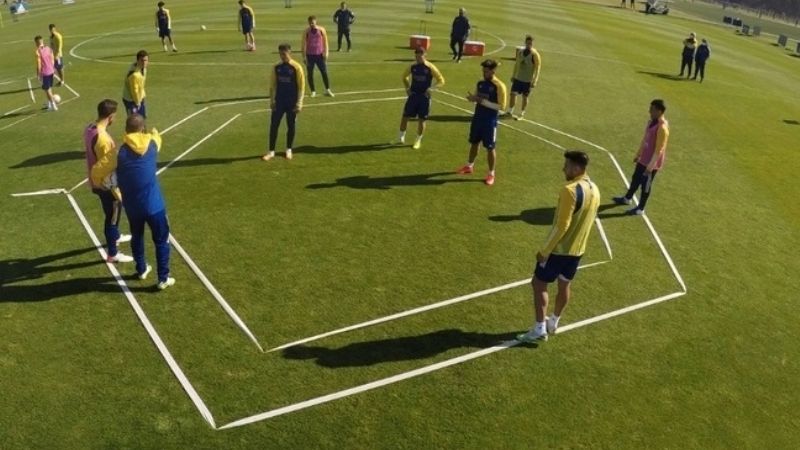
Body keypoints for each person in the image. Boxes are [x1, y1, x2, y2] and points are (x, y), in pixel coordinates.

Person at [516, 150, 600, 343]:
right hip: (577, 251)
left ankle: (539, 329)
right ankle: (553, 321)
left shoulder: (569, 190)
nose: (564, 169)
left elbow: (562, 225)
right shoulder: (595, 189)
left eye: (567, 166)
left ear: (576, 168)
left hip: (558, 251)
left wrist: (545, 251)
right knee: (564, 284)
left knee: (538, 284)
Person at [100, 114, 175, 290]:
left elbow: (99, 170)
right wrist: (151, 132)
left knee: (137, 236)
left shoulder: (118, 152)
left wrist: (103, 182)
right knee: (162, 240)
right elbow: (157, 135)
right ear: (142, 128)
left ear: (126, 130)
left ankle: (141, 269)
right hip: (155, 205)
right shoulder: (152, 144)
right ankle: (163, 278)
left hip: (133, 207)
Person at [86, 99, 133, 264]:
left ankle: (116, 236)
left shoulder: (90, 128)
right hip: (107, 185)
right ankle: (113, 253)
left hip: (96, 181)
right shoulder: (104, 139)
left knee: (111, 214)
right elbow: (108, 165)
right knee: (112, 217)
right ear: (111, 116)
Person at [612, 99, 669, 215]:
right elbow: (645, 139)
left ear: (659, 111)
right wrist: (638, 154)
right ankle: (627, 198)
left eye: (652, 109)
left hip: (651, 163)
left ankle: (641, 208)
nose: (649, 111)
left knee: (645, 185)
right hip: (644, 159)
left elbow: (659, 150)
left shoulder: (662, 128)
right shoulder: (651, 122)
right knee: (635, 178)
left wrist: (650, 167)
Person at [456, 59, 508, 186]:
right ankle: (469, 166)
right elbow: (477, 98)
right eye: (483, 71)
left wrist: (481, 101)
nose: (484, 73)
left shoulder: (499, 86)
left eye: (486, 71)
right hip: (477, 119)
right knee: (474, 143)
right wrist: (473, 99)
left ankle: (491, 173)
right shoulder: (480, 83)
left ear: (493, 71)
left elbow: (501, 107)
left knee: (490, 148)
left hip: (489, 121)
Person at [393, 47, 445, 150]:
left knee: (422, 120)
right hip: (413, 96)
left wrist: (431, 88)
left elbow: (441, 80)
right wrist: (407, 88)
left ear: (425, 55)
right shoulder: (413, 66)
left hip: (424, 98)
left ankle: (418, 140)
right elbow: (404, 77)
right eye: (416, 56)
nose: (418, 58)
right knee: (405, 117)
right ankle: (400, 137)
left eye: (420, 56)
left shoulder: (430, 67)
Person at [263, 43, 305, 162]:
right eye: (280, 54)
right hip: (279, 101)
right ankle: (271, 151)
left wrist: (299, 103)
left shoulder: (296, 67)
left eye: (284, 54)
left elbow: (301, 87)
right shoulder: (276, 67)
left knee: (291, 125)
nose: (282, 56)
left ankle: (289, 149)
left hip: (292, 102)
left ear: (289, 53)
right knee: (274, 125)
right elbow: (272, 85)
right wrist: (272, 100)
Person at [506, 35, 541, 119]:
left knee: (525, 97)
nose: (529, 45)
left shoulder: (535, 55)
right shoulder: (520, 52)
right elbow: (516, 64)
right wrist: (513, 75)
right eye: (528, 43)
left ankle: (522, 114)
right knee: (513, 94)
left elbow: (538, 68)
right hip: (518, 78)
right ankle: (510, 112)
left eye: (530, 44)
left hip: (527, 80)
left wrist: (535, 80)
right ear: (525, 43)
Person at [301, 15, 333, 97]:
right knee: (310, 73)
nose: (311, 24)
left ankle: (327, 89)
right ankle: (313, 91)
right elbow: (303, 44)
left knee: (324, 72)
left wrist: (326, 53)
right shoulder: (306, 31)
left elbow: (325, 42)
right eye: (310, 23)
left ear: (316, 21)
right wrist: (304, 56)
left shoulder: (321, 30)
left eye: (313, 22)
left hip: (319, 55)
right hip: (310, 55)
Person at [34, 35, 58, 111]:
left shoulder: (37, 51)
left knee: (47, 90)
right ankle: (49, 104)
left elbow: (39, 64)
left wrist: (38, 74)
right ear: (42, 41)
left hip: (45, 73)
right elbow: (52, 59)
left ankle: (53, 105)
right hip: (51, 71)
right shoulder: (48, 48)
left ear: (36, 42)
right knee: (48, 89)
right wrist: (53, 69)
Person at [122, 50, 148, 118]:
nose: (144, 62)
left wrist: (142, 95)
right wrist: (137, 102)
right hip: (131, 100)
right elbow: (134, 90)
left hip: (139, 97)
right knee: (134, 120)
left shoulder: (143, 69)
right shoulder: (134, 75)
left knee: (142, 118)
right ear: (138, 60)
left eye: (146, 60)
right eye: (142, 60)